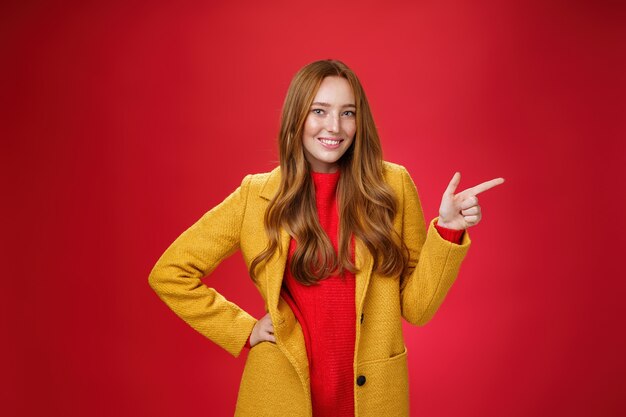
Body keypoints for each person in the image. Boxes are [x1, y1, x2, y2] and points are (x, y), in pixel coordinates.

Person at [148, 59, 504, 417]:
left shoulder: (392, 187)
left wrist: (448, 228)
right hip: (278, 399)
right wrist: (243, 330)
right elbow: (170, 272)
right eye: (319, 110)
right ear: (297, 117)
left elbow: (417, 308)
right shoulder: (256, 195)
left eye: (347, 113)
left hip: (374, 399)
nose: (335, 126)